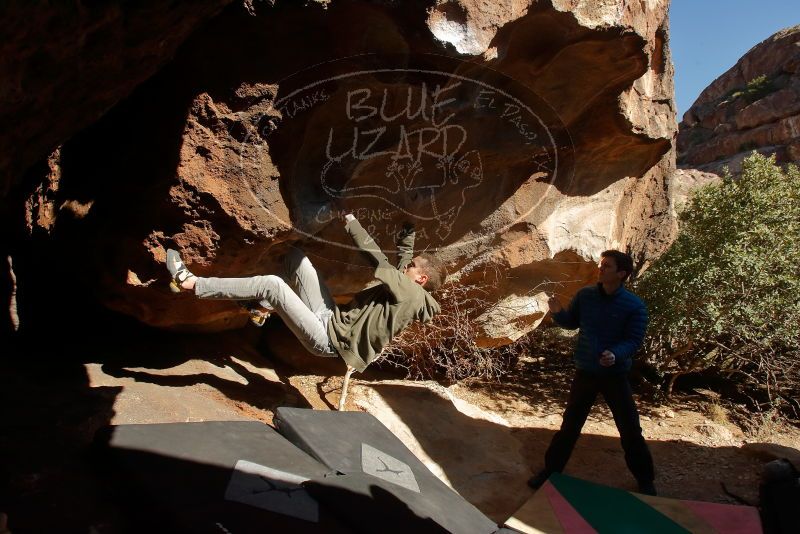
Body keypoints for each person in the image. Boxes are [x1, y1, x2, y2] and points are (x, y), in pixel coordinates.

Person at [166, 213, 443, 372]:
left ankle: (190, 282)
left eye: (412, 266)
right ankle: (260, 309)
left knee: (272, 285)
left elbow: (378, 260)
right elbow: (402, 261)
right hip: (331, 318)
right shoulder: (408, 290)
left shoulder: (411, 296)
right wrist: (409, 229)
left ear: (421, 279)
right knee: (295, 259)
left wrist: (350, 220)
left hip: (329, 340)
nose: (406, 266)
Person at [528, 250, 656, 495]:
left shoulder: (634, 306)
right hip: (585, 373)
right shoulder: (585, 295)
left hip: (615, 377)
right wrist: (557, 312)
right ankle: (550, 472)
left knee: (630, 430)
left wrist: (615, 354)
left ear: (621, 274)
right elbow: (571, 323)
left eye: (607, 266)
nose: (600, 269)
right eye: (601, 264)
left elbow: (633, 340)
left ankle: (645, 481)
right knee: (569, 427)